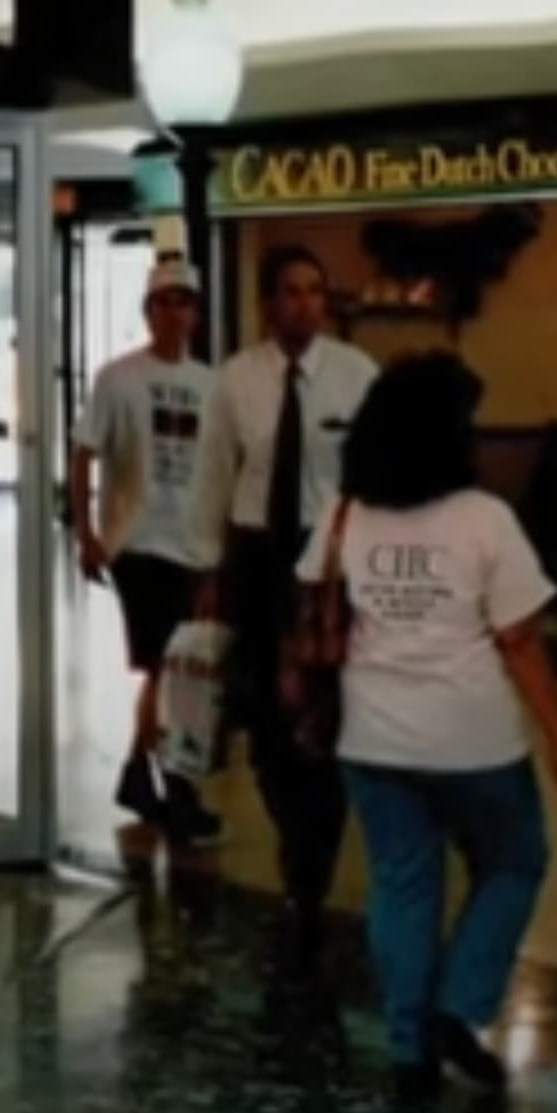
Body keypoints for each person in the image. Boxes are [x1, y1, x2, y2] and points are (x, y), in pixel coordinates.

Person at [296, 353, 557, 1104]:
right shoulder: (484, 519)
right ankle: (457, 1009)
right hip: (474, 741)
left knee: (403, 884)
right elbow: (520, 640)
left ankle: (407, 1047)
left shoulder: (346, 514)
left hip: (373, 738)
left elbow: (314, 605)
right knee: (515, 860)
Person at [193, 244, 378, 962]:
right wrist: (208, 571)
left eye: (314, 291)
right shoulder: (235, 380)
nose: (304, 303)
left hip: (331, 564)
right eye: (291, 292)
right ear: (270, 303)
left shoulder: (356, 375)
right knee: (266, 721)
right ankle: (293, 836)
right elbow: (214, 477)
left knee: (324, 717)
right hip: (259, 557)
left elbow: (372, 476)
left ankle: (312, 868)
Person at [71, 257, 220, 841]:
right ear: (147, 311)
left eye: (184, 302)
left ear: (196, 314)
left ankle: (140, 772)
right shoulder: (118, 379)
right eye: (163, 302)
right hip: (138, 542)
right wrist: (86, 530)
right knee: (167, 664)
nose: (174, 313)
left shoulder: (211, 386)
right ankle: (175, 784)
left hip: (194, 542)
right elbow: (84, 450)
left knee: (169, 668)